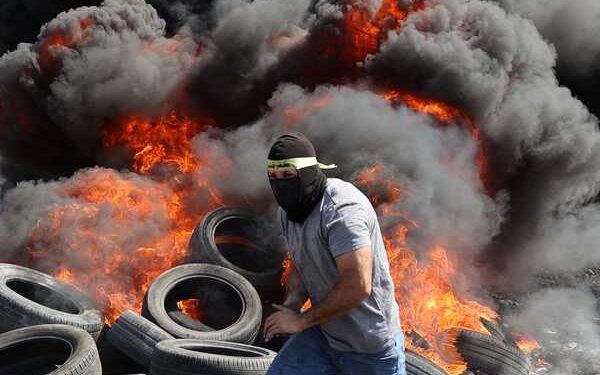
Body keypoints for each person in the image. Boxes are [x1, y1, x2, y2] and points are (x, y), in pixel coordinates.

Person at [263, 132, 406, 375]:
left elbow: (358, 285)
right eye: (274, 177)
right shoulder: (288, 211)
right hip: (324, 335)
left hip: (369, 347)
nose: (281, 184)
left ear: (308, 172)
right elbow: (300, 262)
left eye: (288, 175)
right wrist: (293, 304)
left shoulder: (341, 209)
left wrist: (300, 321)